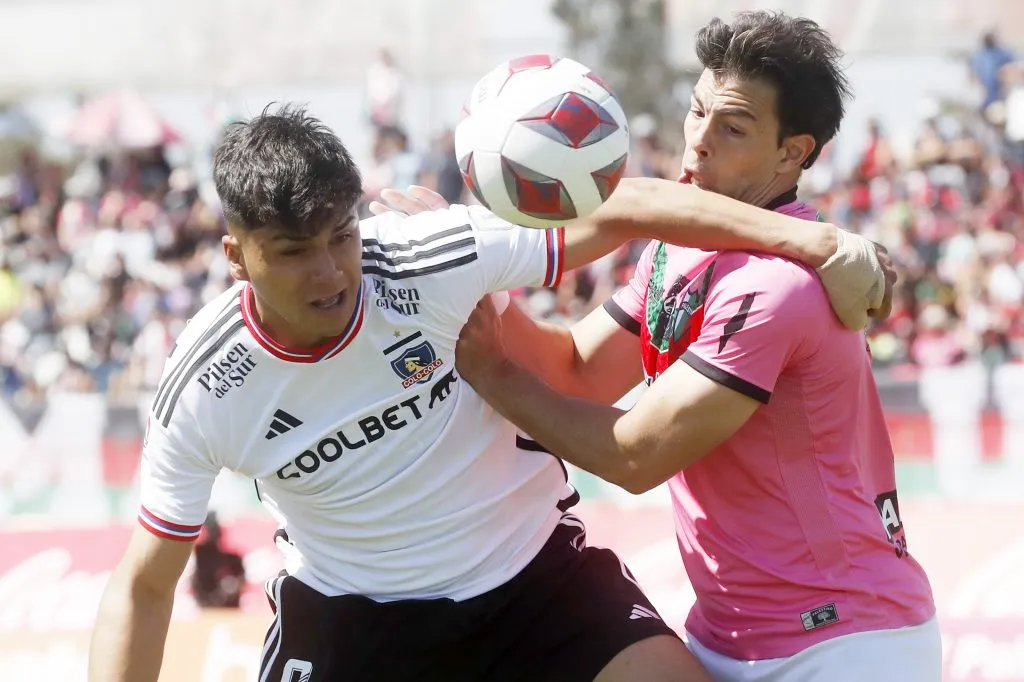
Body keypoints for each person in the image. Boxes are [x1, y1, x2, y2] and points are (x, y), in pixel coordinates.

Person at [88, 104, 891, 682]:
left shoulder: (424, 258)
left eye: (341, 237)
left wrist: (815, 241)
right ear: (237, 255)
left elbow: (627, 207)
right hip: (352, 623)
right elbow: (146, 581)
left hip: (535, 583)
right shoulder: (206, 385)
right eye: (296, 252)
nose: (332, 272)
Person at [452, 12, 939, 682]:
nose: (699, 141)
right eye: (696, 111)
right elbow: (576, 370)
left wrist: (490, 371)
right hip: (726, 636)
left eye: (732, 127)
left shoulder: (780, 285)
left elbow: (632, 454)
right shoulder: (678, 247)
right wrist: (469, 295)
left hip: (843, 644)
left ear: (792, 153)